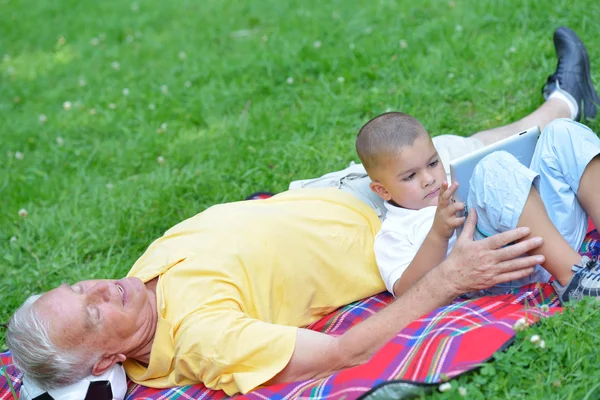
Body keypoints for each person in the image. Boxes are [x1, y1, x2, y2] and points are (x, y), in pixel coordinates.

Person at [2, 27, 595, 396]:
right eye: (93, 313)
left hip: (323, 192)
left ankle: (560, 108)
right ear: (108, 357)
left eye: (82, 287)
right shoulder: (203, 341)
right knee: (481, 165)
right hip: (389, 224)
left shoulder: (137, 286)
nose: (105, 289)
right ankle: (563, 111)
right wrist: (446, 279)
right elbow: (343, 354)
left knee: (449, 146)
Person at [359, 112, 600, 301]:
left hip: (551, 237)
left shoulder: (458, 182)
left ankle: (575, 267)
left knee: (562, 131)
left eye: (433, 163)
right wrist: (438, 233)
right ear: (382, 190)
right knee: (491, 168)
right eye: (410, 176)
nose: (429, 178)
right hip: (504, 273)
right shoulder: (393, 233)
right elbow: (406, 293)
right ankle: (575, 281)